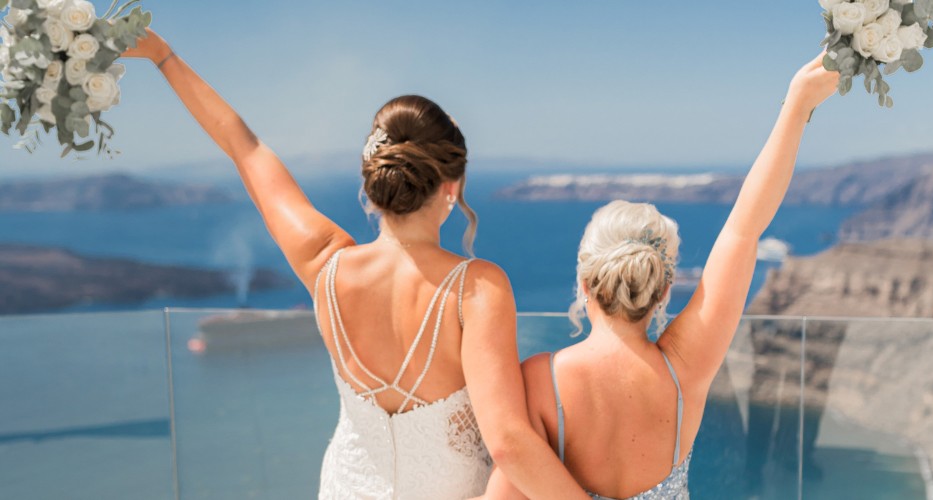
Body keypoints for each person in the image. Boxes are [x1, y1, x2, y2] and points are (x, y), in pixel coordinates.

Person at [123, 29, 588, 500]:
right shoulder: (478, 288)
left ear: (374, 180)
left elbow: (245, 148)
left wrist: (163, 57)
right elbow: (509, 444)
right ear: (452, 186)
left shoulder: (325, 265)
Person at [482, 54, 840, 499]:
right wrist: (796, 106)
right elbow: (744, 230)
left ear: (584, 283)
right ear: (664, 290)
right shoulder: (683, 370)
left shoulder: (538, 380)